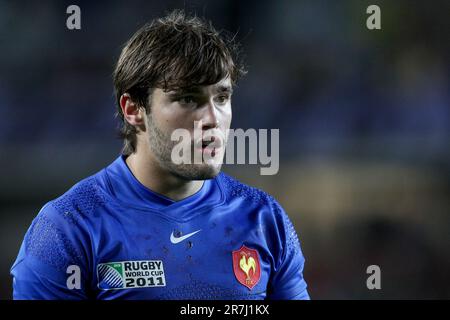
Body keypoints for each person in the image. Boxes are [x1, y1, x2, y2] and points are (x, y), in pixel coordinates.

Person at [11, 10, 309, 300]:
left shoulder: (265, 220)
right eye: (188, 98)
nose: (212, 118)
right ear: (133, 110)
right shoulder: (68, 229)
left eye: (221, 97)